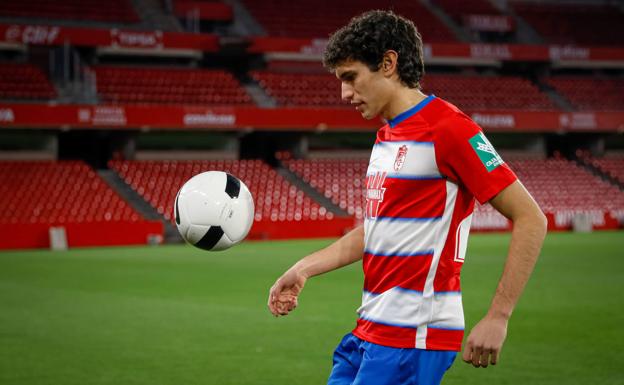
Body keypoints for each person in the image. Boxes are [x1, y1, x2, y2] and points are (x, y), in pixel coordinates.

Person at [267, 10, 547, 385]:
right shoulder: (386, 137)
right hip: (371, 329)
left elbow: (531, 218)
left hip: (414, 335)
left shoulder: (449, 128)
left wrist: (499, 315)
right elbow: (376, 232)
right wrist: (303, 268)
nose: (344, 93)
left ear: (388, 63)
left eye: (350, 77)